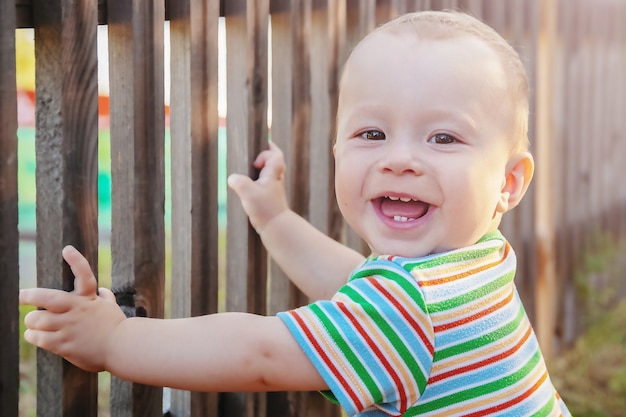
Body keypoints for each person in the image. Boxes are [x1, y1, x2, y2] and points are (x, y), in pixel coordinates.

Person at [20, 10, 570, 416]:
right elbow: (355, 283)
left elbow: (262, 353)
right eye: (372, 133)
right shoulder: (475, 260)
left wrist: (115, 342)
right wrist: (276, 220)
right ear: (338, 150)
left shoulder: (409, 308)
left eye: (444, 137)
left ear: (509, 182)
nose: (400, 159)